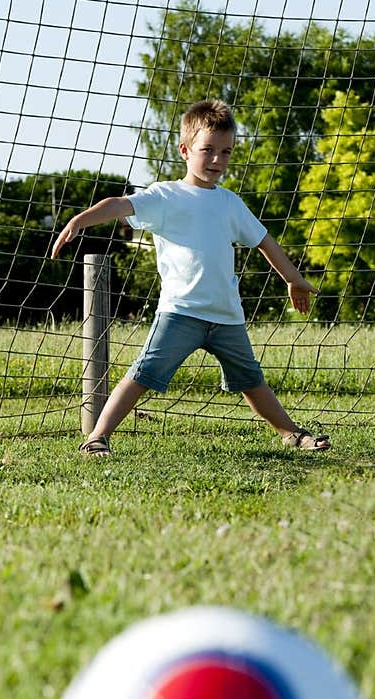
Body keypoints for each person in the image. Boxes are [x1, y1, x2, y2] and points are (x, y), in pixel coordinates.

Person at [51, 98, 330, 457]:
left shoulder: (230, 203)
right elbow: (119, 204)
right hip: (180, 313)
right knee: (142, 374)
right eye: (208, 150)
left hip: (226, 316)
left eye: (226, 152)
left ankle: (292, 434)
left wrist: (293, 278)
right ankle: (97, 438)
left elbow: (264, 241)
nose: (217, 160)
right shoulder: (166, 196)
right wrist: (79, 221)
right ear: (185, 150)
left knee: (252, 381)